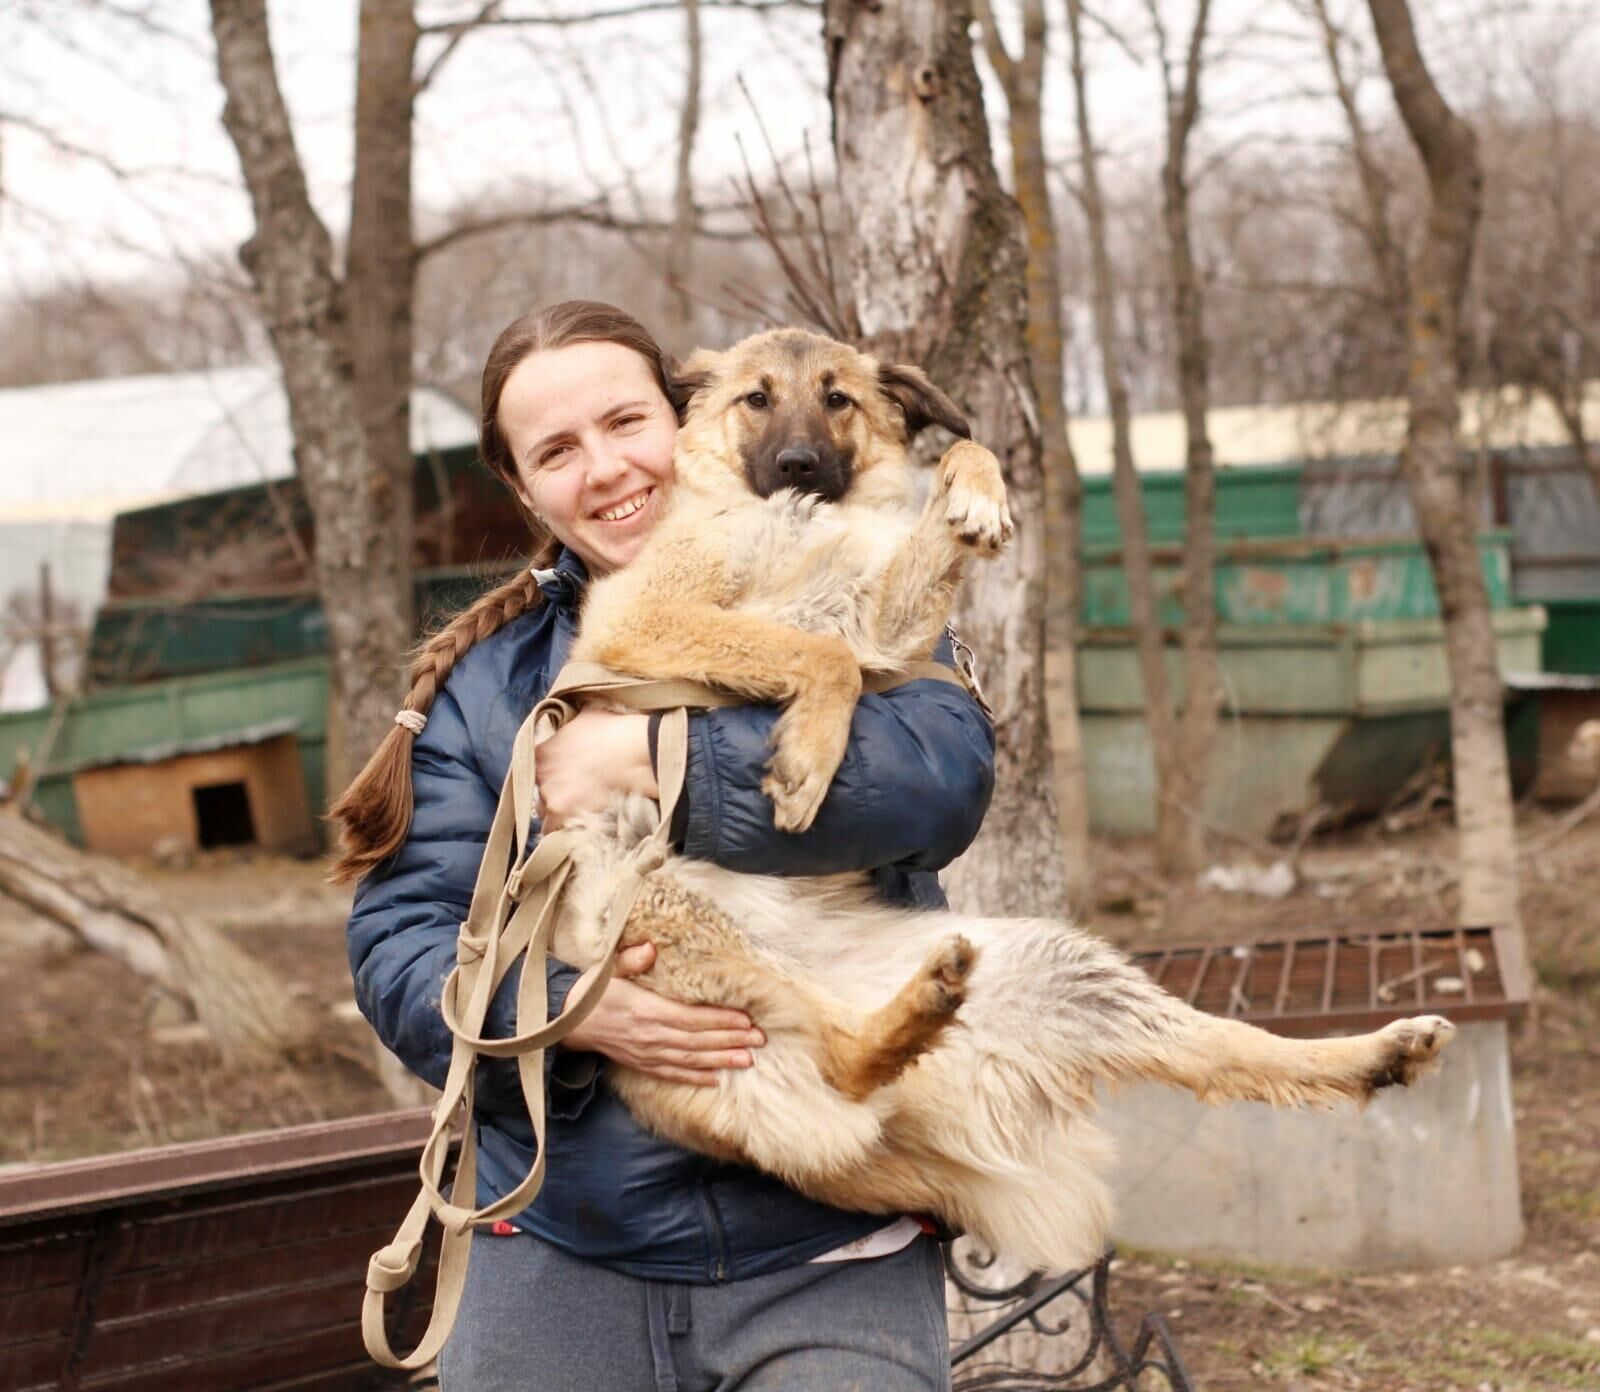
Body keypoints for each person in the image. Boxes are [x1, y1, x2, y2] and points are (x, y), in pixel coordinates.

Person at [337, 300, 996, 1391]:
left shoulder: (845, 587)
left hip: (825, 1238)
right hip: (562, 1233)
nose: (603, 470)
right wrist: (567, 1011)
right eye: (555, 451)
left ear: (689, 418)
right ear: (522, 489)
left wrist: (659, 759)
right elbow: (401, 946)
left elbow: (936, 785)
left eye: (623, 421)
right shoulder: (481, 690)